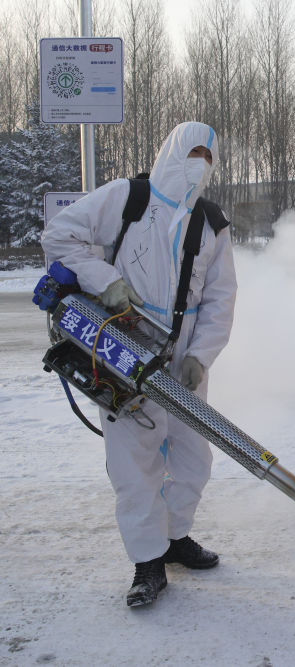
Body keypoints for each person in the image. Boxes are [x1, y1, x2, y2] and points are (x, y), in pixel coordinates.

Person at [41, 122, 237, 608]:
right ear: (172, 150)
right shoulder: (128, 198)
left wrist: (200, 356)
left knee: (193, 457)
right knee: (135, 460)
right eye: (193, 151)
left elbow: (221, 298)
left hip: (183, 351)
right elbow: (60, 235)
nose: (200, 163)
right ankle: (148, 562)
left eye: (208, 156)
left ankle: (174, 537)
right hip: (123, 343)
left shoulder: (211, 222)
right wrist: (105, 280)